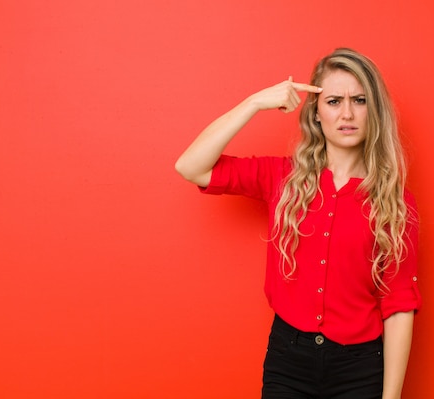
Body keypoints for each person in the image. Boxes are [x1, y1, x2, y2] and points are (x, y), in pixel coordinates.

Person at [175, 48, 421, 399]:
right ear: (316, 113)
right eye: (334, 101)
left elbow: (398, 304)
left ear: (374, 111)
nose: (347, 113)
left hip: (360, 368)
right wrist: (254, 103)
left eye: (360, 100)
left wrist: (391, 397)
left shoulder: (395, 202)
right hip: (288, 361)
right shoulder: (281, 177)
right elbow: (190, 166)